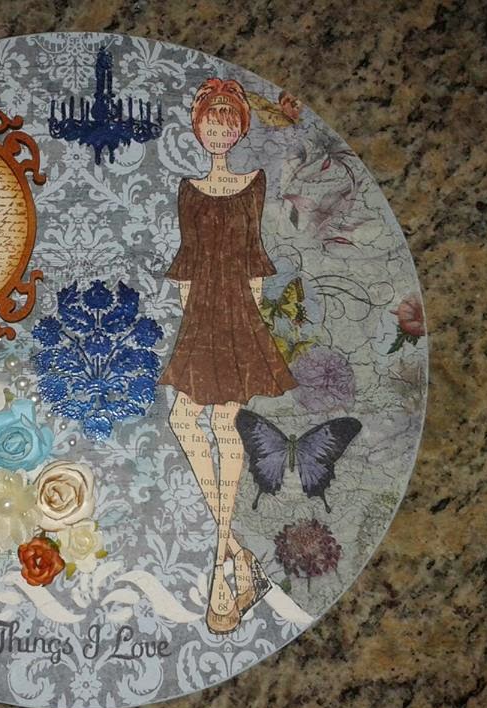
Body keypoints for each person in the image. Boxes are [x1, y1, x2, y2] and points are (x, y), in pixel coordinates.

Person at [159, 78, 298, 634]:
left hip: (239, 309)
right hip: (201, 314)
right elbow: (188, 259)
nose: (219, 133)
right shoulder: (190, 190)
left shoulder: (252, 184)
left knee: (222, 422)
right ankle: (235, 553)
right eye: (210, 125)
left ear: (239, 131)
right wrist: (191, 323)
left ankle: (224, 566)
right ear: (199, 131)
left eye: (228, 124)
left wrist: (253, 324)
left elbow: (254, 254)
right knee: (183, 418)